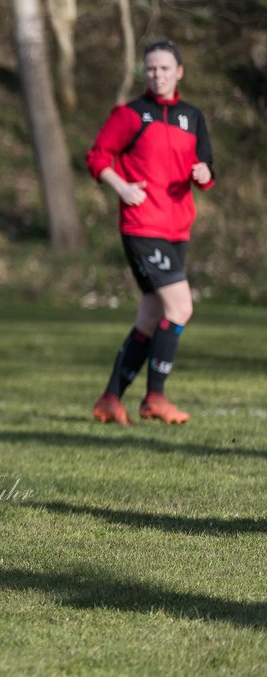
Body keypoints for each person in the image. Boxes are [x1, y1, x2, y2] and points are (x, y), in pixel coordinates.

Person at [87, 38, 215, 426]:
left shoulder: (192, 117)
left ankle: (110, 398)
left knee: (150, 318)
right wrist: (122, 187)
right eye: (150, 68)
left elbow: (206, 165)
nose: (157, 75)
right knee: (180, 307)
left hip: (178, 230)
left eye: (164, 68)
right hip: (143, 227)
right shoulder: (130, 114)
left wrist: (204, 173)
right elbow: (97, 156)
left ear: (179, 72)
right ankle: (155, 397)